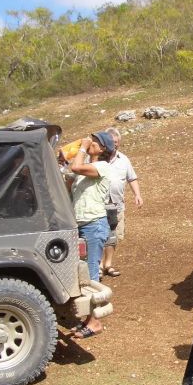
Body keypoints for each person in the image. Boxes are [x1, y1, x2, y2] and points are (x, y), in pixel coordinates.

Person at [68, 130, 116, 338]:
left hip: (93, 225)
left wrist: (81, 147)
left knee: (91, 273)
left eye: (94, 141)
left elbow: (76, 167)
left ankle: (95, 322)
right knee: (82, 274)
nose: (90, 143)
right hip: (81, 224)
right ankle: (86, 318)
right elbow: (71, 178)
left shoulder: (103, 166)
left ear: (103, 148)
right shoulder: (86, 169)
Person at [100, 127, 143, 278]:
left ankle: (108, 264)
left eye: (117, 142)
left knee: (113, 236)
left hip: (117, 204)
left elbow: (132, 178)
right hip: (98, 204)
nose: (115, 145)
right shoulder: (96, 158)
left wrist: (137, 195)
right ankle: (98, 265)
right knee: (99, 235)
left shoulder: (123, 159)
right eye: (112, 142)